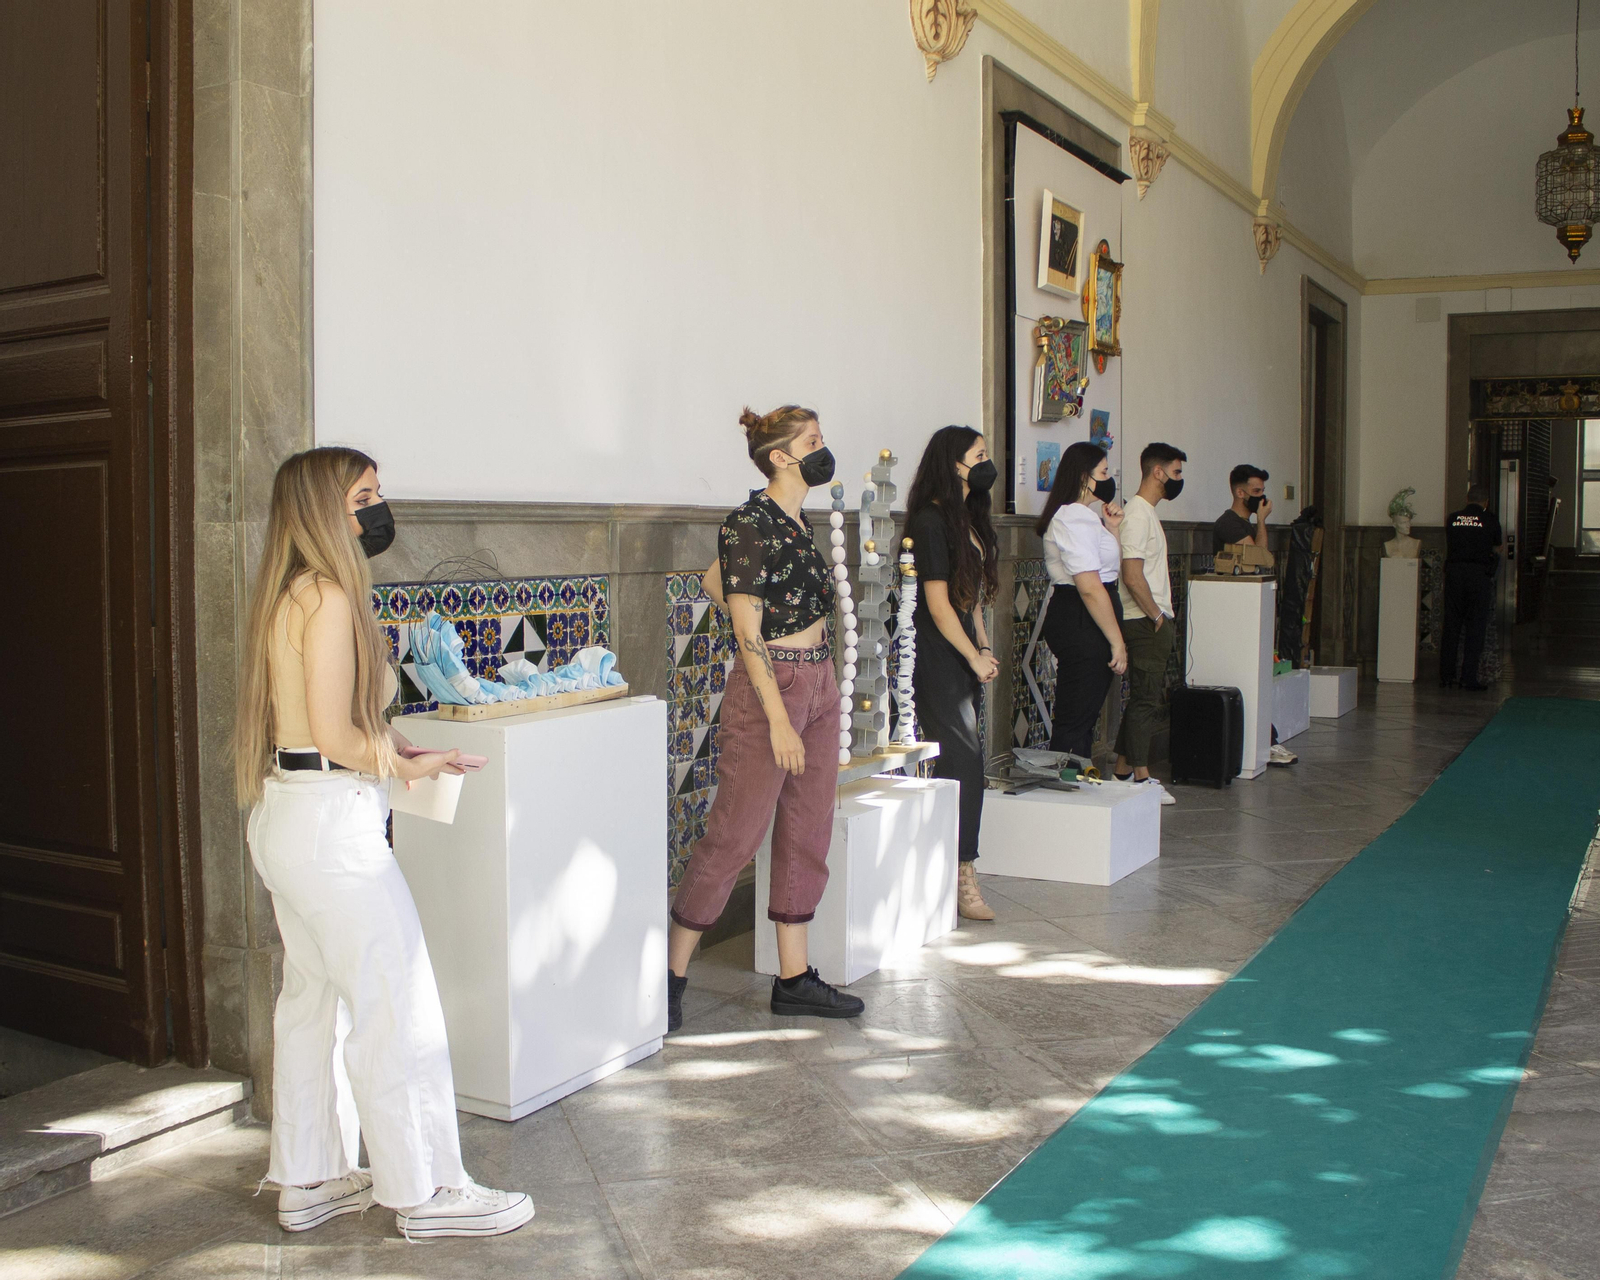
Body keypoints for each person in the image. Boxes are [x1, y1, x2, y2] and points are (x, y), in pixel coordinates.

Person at [235, 447, 533, 1240]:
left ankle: (311, 1175)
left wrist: (395, 753)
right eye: (363, 495)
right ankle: (427, 1190)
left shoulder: (289, 592)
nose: (377, 509)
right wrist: (403, 762)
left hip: (286, 813)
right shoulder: (330, 596)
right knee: (394, 1002)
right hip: (333, 829)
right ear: (324, 510)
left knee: (313, 1001)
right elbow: (337, 733)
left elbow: (320, 722)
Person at [667, 405, 864, 1031]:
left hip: (820, 682)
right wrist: (777, 718)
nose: (822, 450)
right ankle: (669, 978)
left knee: (808, 831)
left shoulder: (792, 521)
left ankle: (794, 978)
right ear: (780, 457)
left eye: (821, 439)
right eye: (811, 442)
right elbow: (744, 630)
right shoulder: (748, 523)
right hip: (770, 686)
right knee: (735, 834)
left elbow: (709, 585)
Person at [905, 426, 1001, 921]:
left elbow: (971, 600)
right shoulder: (930, 521)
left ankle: (951, 868)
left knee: (967, 758)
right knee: (963, 758)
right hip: (938, 654)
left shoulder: (970, 519)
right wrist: (971, 656)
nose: (987, 464)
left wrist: (984, 646)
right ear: (954, 463)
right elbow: (939, 607)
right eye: (979, 456)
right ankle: (964, 873)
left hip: (964, 652)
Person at [1036, 442, 1127, 757]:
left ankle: (1077, 783)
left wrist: (1112, 528)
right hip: (1081, 619)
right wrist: (1117, 641)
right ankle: (1066, 787)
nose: (1108, 479)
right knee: (1076, 716)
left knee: (1084, 713)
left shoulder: (1087, 517)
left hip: (1090, 618)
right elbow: (1089, 586)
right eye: (1103, 472)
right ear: (1083, 477)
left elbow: (1108, 569)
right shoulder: (1072, 517)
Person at [1113, 442, 1185, 804]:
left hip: (1148, 618)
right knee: (1146, 699)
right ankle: (1142, 778)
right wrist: (1156, 614)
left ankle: (1123, 770)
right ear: (1157, 472)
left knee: (1144, 697)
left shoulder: (1146, 513)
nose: (1178, 480)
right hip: (1143, 620)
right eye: (1175, 473)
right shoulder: (1138, 515)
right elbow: (1132, 572)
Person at [1440, 483, 1503, 691]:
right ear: (1485, 502)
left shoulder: (1453, 518)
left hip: (1454, 575)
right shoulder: (1490, 519)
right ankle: (1468, 678)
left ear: (1467, 499)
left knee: (1451, 626)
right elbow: (1497, 546)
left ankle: (1446, 677)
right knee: (1475, 629)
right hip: (1478, 576)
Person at [1214, 464, 1271, 554]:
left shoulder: (1244, 522)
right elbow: (1258, 557)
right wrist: (1261, 520)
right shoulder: (1228, 523)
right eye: (1256, 491)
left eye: (1262, 491)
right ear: (1240, 493)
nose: (1261, 496)